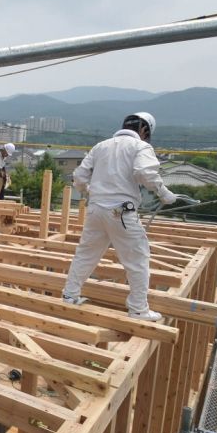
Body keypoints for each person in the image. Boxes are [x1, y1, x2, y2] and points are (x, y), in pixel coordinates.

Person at [61, 112, 176, 321]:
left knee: (86, 254)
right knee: (137, 258)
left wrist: (88, 190)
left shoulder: (101, 146)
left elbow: (79, 176)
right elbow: (144, 173)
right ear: (144, 130)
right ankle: (139, 309)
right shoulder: (140, 147)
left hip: (95, 209)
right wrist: (164, 193)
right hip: (121, 211)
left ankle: (70, 295)